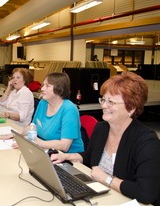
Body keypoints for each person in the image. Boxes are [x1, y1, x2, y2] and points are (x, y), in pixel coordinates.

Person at [51, 72, 160, 205]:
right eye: (103, 99)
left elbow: (146, 193)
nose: (103, 105)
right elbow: (89, 157)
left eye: (111, 102)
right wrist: (67, 157)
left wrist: (107, 179)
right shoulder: (102, 128)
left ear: (131, 108)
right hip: (103, 196)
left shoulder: (147, 142)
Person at [32, 72, 84, 153]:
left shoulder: (69, 109)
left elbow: (64, 146)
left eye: (47, 86)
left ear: (59, 89)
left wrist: (37, 142)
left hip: (69, 158)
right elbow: (33, 126)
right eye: (43, 85)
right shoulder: (43, 103)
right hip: (48, 151)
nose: (42, 88)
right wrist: (18, 136)